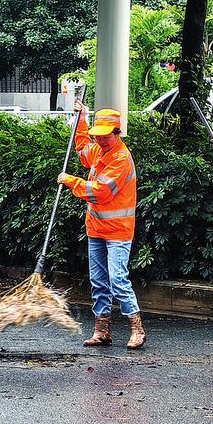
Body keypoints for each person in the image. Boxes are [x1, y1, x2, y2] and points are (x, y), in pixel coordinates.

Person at [57, 101, 145, 350]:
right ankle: (102, 330)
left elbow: (101, 192)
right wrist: (82, 119)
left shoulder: (121, 158)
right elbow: (84, 151)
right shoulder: (98, 149)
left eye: (106, 136)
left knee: (117, 278)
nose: (102, 141)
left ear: (117, 133)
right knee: (98, 280)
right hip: (95, 227)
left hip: (117, 230)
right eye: (99, 136)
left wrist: (70, 181)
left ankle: (137, 328)